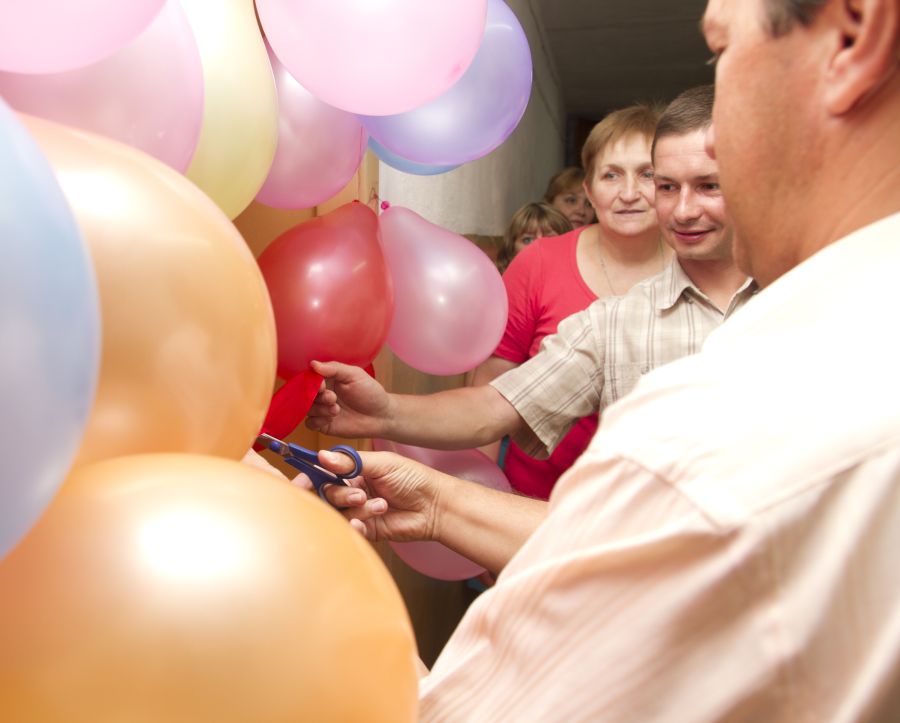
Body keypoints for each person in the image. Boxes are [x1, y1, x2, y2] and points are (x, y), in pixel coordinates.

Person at [313, 0, 900, 718]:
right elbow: (513, 418)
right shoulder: (635, 329)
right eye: (664, 183)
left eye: (723, 52)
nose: (687, 199)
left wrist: (307, 581)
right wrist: (431, 490)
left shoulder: (706, 430)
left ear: (855, 33)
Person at [307, 86, 754, 499]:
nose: (683, 209)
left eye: (708, 185)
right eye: (669, 187)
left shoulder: (790, 287)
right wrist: (384, 412)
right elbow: (496, 403)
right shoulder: (614, 322)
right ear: (589, 188)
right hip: (573, 515)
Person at [466, 103, 672, 498]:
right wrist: (481, 496)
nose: (629, 193)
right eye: (611, 175)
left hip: (655, 507)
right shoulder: (539, 263)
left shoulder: (699, 266)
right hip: (535, 504)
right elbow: (492, 382)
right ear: (589, 190)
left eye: (646, 174)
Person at [494, 201, 572, 274]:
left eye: (549, 239)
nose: (538, 247)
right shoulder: (497, 281)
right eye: (527, 240)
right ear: (511, 250)